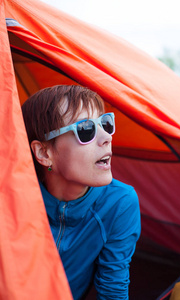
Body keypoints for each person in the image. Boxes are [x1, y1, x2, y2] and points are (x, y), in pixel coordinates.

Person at [22, 85, 141, 300]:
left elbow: (113, 287)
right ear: (44, 153)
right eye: (86, 130)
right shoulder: (14, 196)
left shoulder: (119, 202)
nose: (107, 137)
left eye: (105, 124)